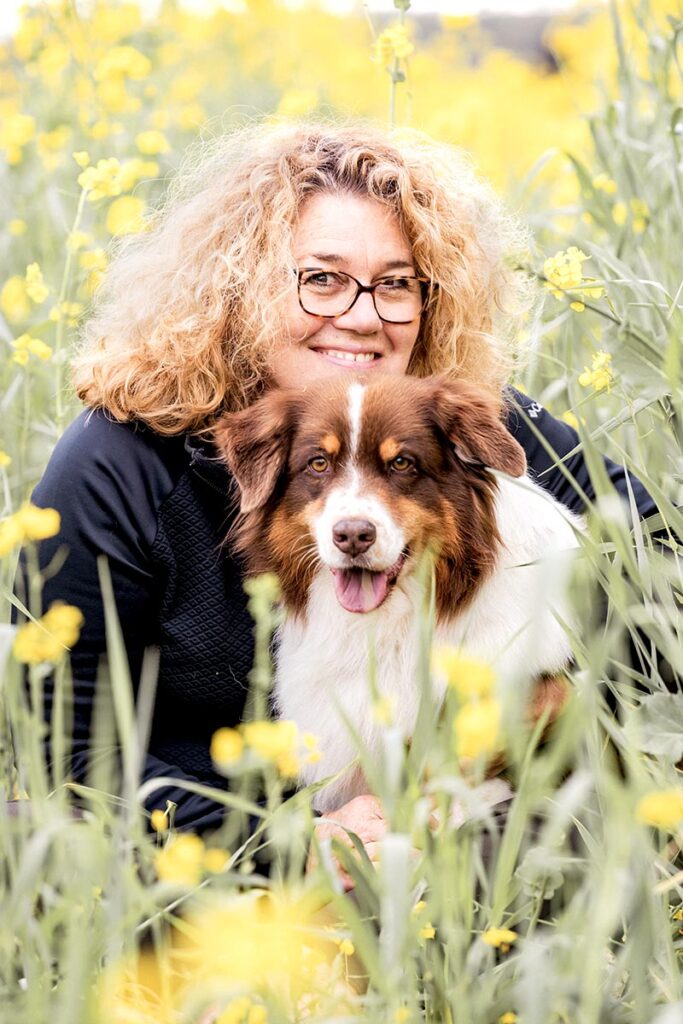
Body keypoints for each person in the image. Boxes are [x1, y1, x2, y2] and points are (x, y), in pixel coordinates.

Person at [26, 120, 656, 849]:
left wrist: (547, 701)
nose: (360, 318)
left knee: (561, 836)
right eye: (320, 279)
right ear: (243, 284)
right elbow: (65, 754)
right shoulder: (120, 459)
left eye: (395, 285)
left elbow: (657, 567)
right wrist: (291, 841)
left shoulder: (456, 422)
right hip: (202, 848)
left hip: (446, 831)